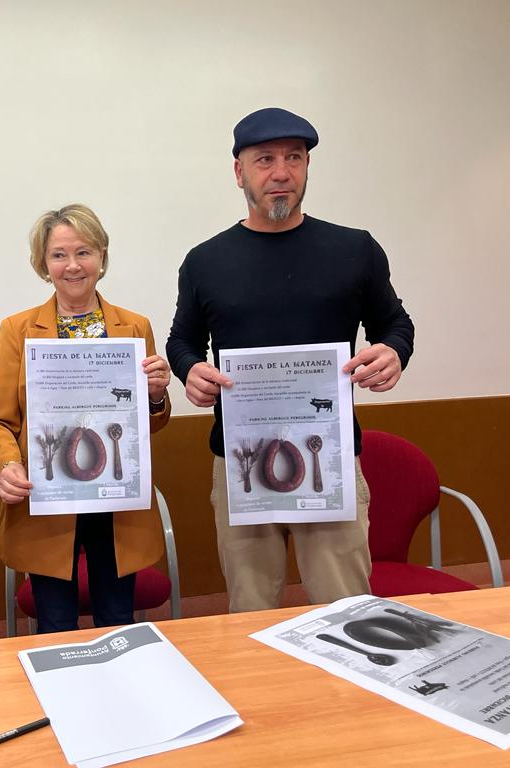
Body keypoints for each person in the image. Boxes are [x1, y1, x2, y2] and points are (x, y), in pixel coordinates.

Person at [166, 107, 415, 612]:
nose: (281, 172)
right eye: (265, 160)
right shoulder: (205, 262)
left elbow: (395, 323)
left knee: (346, 608)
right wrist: (190, 370)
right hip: (240, 460)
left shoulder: (354, 250)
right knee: (252, 608)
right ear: (239, 172)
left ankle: (350, 692)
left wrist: (394, 352)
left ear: (306, 167)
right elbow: (182, 341)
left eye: (294, 158)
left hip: (332, 455)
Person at [0, 203, 171, 633]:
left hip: (116, 499)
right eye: (59, 255)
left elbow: (150, 424)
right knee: (55, 623)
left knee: (119, 621)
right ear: (43, 263)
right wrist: (7, 463)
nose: (72, 265)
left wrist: (157, 396)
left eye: (84, 252)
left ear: (102, 256)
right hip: (47, 498)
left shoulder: (134, 327)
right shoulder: (17, 329)